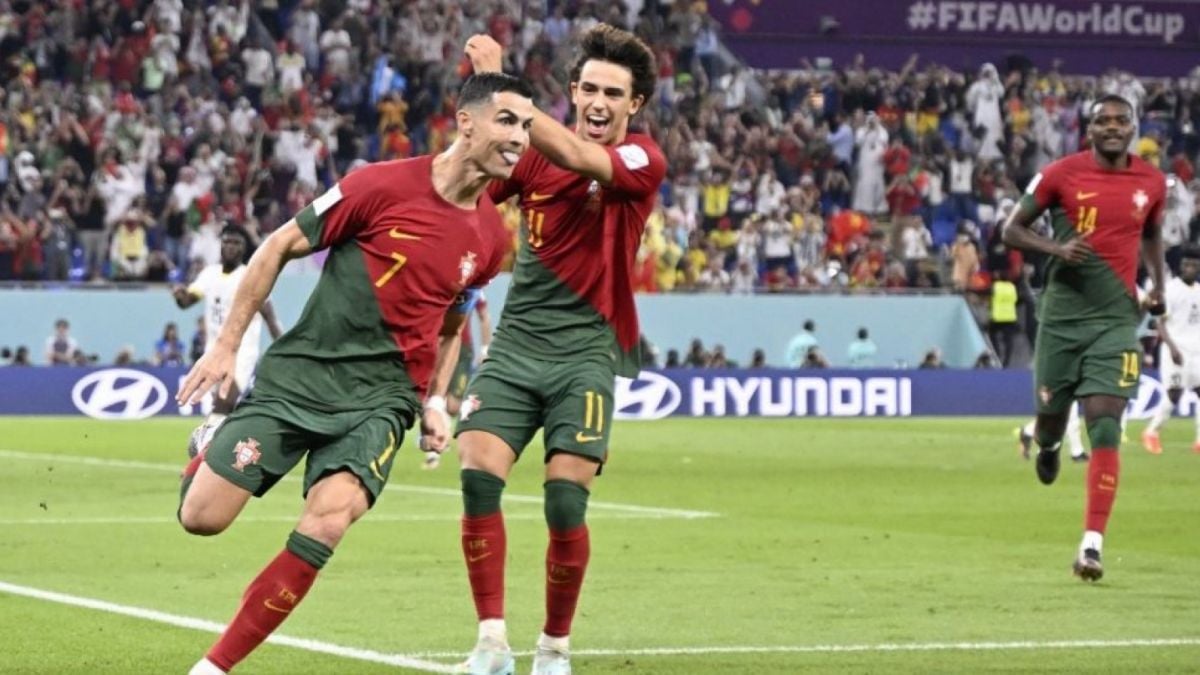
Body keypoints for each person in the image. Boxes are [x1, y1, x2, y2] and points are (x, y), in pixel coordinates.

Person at [175, 72, 535, 675]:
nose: (521, 138)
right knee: (202, 519)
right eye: (508, 121)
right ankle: (208, 447)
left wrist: (435, 399)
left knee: (331, 516)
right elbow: (276, 246)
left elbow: (453, 322)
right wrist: (223, 347)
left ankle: (212, 668)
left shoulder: (492, 238)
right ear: (465, 121)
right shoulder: (378, 185)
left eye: (526, 126)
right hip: (301, 378)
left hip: (381, 402)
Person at [456, 26, 665, 675]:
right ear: (573, 90)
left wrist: (503, 92)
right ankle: (491, 642)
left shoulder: (642, 160)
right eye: (590, 88)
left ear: (635, 105)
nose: (600, 101)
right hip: (517, 343)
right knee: (477, 475)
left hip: (586, 352)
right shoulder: (530, 156)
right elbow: (470, 189)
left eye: (614, 93)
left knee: (564, 501)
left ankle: (554, 648)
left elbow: (581, 157)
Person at [1001, 94, 1167, 582]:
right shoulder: (1060, 175)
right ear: (1088, 129)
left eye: (1121, 120)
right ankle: (1048, 445)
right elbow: (1011, 230)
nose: (1113, 127)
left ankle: (1091, 544)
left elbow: (1153, 232)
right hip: (1061, 320)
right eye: (1103, 121)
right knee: (1051, 421)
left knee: (1105, 422)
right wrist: (1056, 247)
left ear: (1133, 127)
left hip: (1117, 319)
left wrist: (1156, 284)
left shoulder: (1152, 182)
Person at [173, 224, 285, 456]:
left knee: (224, 400)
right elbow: (186, 303)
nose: (231, 247)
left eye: (237, 243)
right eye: (227, 242)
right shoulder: (209, 274)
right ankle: (217, 451)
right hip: (213, 352)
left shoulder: (251, 276)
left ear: (244, 249)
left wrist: (286, 348)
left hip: (242, 350)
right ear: (221, 245)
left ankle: (202, 455)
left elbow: (271, 319)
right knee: (222, 406)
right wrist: (180, 294)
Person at [423, 295, 494, 470]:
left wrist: (485, 348)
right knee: (434, 395)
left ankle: (440, 434)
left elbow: (484, 315)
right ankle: (434, 448)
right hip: (438, 343)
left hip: (463, 349)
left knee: (454, 405)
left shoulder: (474, 286)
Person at [1142, 245, 1200, 454]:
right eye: (1186, 264)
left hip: (1197, 350)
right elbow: (1159, 323)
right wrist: (1172, 348)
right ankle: (1152, 432)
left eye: (1194, 264)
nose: (1190, 268)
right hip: (1175, 349)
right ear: (1181, 266)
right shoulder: (1172, 289)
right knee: (1174, 394)